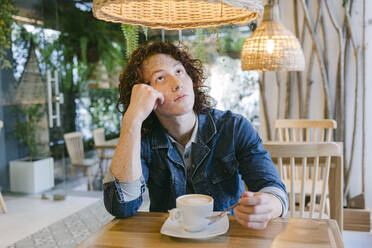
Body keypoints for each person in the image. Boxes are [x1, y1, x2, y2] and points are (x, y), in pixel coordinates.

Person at [103, 41, 288, 230]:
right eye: (160, 78)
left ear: (192, 78)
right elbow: (122, 206)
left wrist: (269, 205)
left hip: (228, 238)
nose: (177, 84)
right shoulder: (143, 140)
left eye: (179, 72)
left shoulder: (234, 127)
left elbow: (274, 189)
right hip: (168, 241)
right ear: (145, 95)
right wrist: (131, 120)